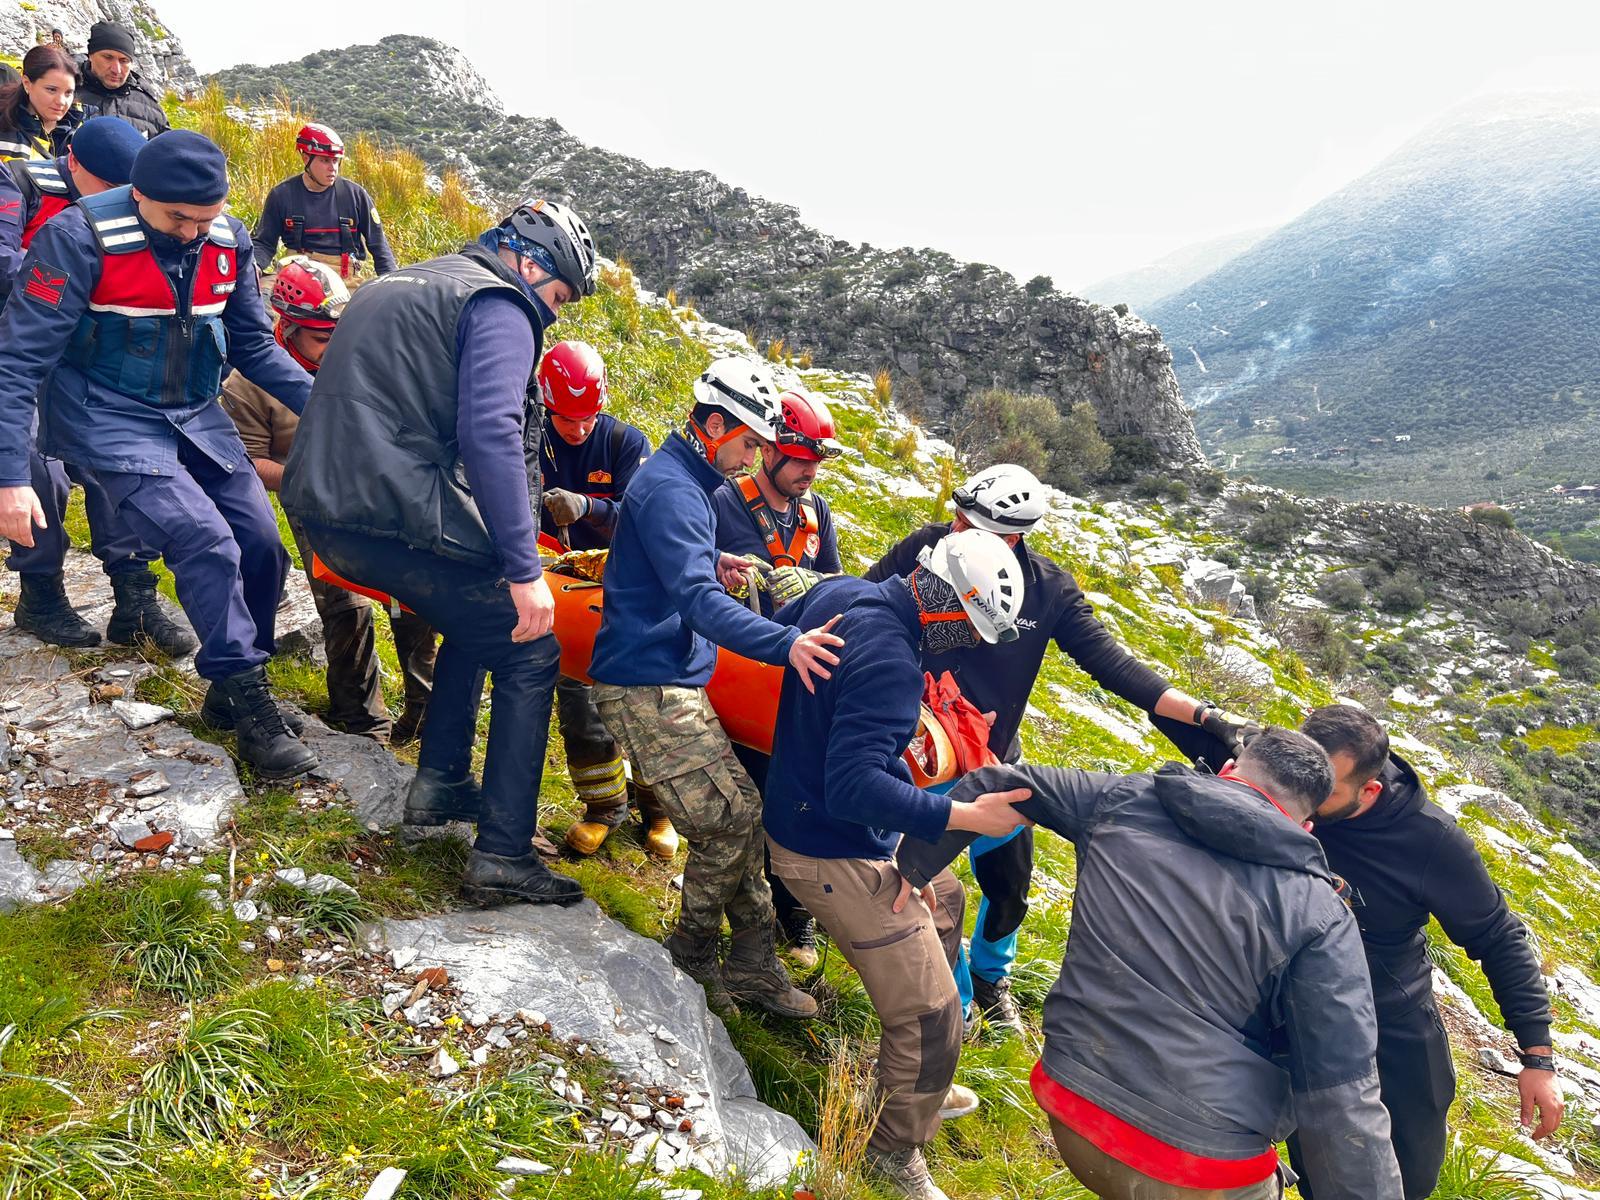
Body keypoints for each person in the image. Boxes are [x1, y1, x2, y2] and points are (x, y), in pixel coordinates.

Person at [899, 728, 1403, 1200]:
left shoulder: (1120, 799)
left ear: (1228, 770)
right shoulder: (1320, 913)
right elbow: (1344, 1101)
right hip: (1203, 1172)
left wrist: (911, 867)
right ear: (1305, 824)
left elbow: (998, 780)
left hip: (1072, 1106)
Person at [865, 462, 1258, 1038]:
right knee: (922, 883)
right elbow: (866, 600)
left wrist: (1204, 716)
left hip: (996, 762)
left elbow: (1114, 667)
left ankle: (993, 977)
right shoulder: (928, 549)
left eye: (972, 525)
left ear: (1015, 536)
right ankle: (956, 1002)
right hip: (922, 757)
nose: (955, 531)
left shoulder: (1048, 592)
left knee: (1009, 886)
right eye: (956, 517)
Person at [282, 198, 599, 906]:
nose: (552, 313)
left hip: (325, 506)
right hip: (382, 513)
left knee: (478, 609)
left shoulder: (409, 279)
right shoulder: (498, 304)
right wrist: (525, 570)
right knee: (529, 646)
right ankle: (504, 855)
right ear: (528, 264)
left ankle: (442, 784)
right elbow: (490, 429)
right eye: (556, 296)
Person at [0, 131, 321, 777]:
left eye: (206, 219)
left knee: (261, 543)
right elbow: (18, 362)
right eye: (180, 219)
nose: (193, 233)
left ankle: (230, 694)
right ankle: (253, 703)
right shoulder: (74, 238)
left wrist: (333, 409)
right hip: (106, 416)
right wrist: (11, 478)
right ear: (138, 194)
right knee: (203, 539)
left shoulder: (226, 241)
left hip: (196, 412)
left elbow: (255, 348)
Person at [765, 529, 1032, 1200]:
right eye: (970, 629)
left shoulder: (846, 593)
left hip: (809, 817)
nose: (970, 645)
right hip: (830, 846)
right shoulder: (890, 662)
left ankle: (910, 1087)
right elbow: (852, 786)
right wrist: (970, 817)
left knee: (944, 901)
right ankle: (891, 1150)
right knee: (933, 1016)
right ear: (944, 607)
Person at [588, 356, 845, 1019]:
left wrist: (713, 558)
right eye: (751, 442)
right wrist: (787, 643)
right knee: (727, 825)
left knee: (740, 817)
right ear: (712, 423)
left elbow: (673, 567)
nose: (753, 456)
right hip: (646, 684)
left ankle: (755, 964)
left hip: (666, 676)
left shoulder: (684, 482)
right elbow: (698, 605)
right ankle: (694, 954)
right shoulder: (677, 489)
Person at [1291, 704, 1562, 1199]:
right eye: (1298, 775)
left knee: (1405, 1174)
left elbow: (1499, 937)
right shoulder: (1282, 777)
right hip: (1294, 1010)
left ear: (1368, 789)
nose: (1300, 795)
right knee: (1312, 1162)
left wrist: (1537, 1058)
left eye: (1322, 789)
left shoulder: (1430, 842)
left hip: (1390, 1023)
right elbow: (1137, 684)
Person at [221, 256, 437, 744]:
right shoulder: (247, 386)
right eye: (321, 338)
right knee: (345, 606)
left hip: (382, 494)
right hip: (314, 504)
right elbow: (250, 461)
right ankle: (362, 720)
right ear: (288, 327)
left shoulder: (361, 357)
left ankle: (426, 713)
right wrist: (314, 476)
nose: (333, 346)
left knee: (413, 600)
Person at [0, 116, 194, 657]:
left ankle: (135, 595)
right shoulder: (19, 184)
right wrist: (70, 277)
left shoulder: (133, 208)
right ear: (75, 165)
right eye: (109, 188)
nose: (120, 201)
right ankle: (40, 593)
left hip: (85, 353)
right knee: (42, 474)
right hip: (20, 345)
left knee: (118, 460)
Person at [711, 387, 844, 966]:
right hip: (739, 666)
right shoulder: (724, 501)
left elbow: (837, 585)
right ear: (769, 451)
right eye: (801, 460)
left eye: (817, 461)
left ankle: (797, 917)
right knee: (747, 790)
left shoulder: (816, 514)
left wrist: (810, 586)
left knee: (798, 790)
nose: (809, 473)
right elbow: (693, 580)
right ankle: (742, 918)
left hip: (798, 669)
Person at [533, 339, 676, 859]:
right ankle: (602, 808)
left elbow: (643, 516)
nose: (580, 428)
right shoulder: (533, 438)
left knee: (643, 703)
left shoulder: (623, 442)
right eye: (568, 419)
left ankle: (657, 810)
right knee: (577, 702)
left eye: (588, 416)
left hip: (625, 590)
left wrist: (589, 506)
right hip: (560, 588)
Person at [252, 124, 397, 286]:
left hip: (343, 281)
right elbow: (264, 243)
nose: (333, 168)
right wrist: (254, 267)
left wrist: (392, 285)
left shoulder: (356, 195)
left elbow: (379, 247)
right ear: (306, 158)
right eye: (325, 160)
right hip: (294, 278)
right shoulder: (282, 195)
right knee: (260, 300)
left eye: (336, 161)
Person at [73, 22, 168, 139]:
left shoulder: (151, 108)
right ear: (90, 55)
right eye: (108, 57)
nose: (116, 70)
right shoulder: (63, 94)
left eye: (124, 61)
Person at [0, 46, 81, 163]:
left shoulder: (82, 128)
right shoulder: (5, 135)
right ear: (27, 83)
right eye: (51, 90)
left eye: (68, 93)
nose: (61, 101)